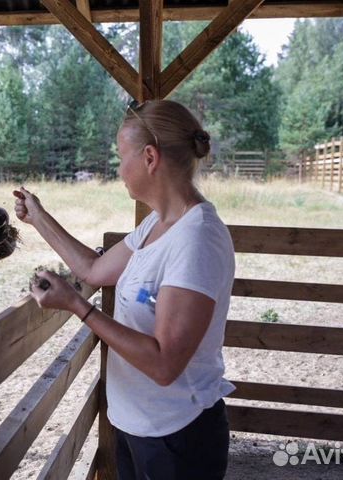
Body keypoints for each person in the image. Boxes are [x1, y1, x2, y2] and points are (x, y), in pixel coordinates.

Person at [13, 99, 235, 480]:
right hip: (137, 425)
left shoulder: (196, 240)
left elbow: (164, 365)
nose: (119, 169)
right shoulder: (156, 225)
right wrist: (38, 217)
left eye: (121, 156)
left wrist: (78, 306)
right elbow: (94, 269)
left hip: (177, 436)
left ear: (150, 158)